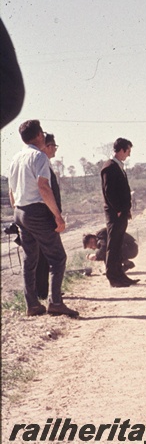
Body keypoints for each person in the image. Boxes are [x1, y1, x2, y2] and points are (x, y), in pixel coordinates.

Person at [7, 120, 78, 317]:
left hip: (20, 211)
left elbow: (11, 192)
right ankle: (55, 303)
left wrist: (19, 212)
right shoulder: (39, 157)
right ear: (39, 136)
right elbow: (43, 187)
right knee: (57, 257)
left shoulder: (15, 158)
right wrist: (57, 216)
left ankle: (32, 304)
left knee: (30, 259)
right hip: (37, 211)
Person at [100, 138, 138, 287]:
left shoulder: (118, 166)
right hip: (115, 214)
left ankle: (120, 275)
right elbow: (108, 191)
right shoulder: (109, 167)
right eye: (128, 151)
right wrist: (117, 210)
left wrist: (125, 210)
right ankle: (113, 277)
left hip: (121, 213)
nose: (129, 154)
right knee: (113, 245)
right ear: (121, 150)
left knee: (118, 244)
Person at [34, 133, 63, 300]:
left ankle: (44, 292)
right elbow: (44, 190)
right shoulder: (41, 164)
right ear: (48, 146)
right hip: (45, 216)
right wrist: (56, 216)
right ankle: (45, 293)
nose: (55, 151)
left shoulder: (44, 166)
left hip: (43, 216)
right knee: (48, 256)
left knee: (43, 256)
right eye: (54, 147)